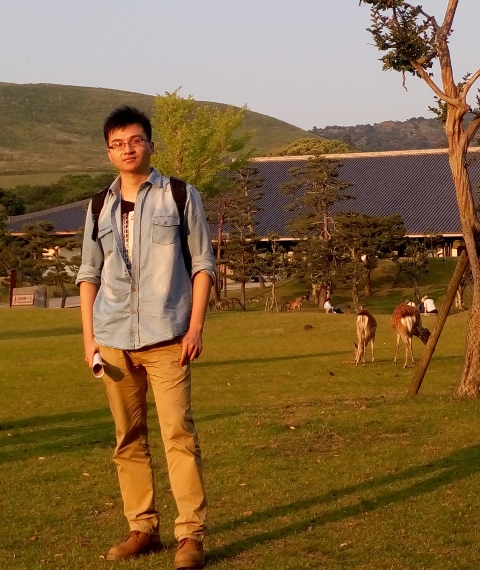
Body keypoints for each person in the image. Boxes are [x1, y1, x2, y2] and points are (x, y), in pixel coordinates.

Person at [76, 106, 216, 569]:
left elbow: (203, 263)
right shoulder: (98, 205)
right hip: (113, 337)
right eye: (117, 144)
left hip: (168, 335)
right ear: (109, 152)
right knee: (128, 437)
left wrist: (195, 327)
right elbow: (88, 273)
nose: (127, 150)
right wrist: (89, 340)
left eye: (135, 141)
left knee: (179, 435)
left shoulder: (179, 195)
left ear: (150, 144)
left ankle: (190, 536)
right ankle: (142, 528)